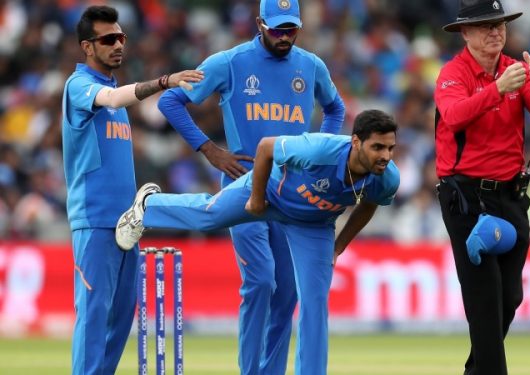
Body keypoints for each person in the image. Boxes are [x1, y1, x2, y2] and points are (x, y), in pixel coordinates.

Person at [116, 109, 399, 375]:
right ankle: (149, 205)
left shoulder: (387, 177)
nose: (385, 156)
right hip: (269, 194)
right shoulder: (319, 149)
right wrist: (256, 198)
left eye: (390, 148)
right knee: (210, 215)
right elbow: (265, 147)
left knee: (314, 303)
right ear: (356, 142)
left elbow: (370, 204)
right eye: (378, 147)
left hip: (313, 225)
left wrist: (339, 246)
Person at [156, 0, 345, 372]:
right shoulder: (229, 62)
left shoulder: (311, 66)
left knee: (288, 292)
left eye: (292, 29)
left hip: (291, 192)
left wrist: (320, 153)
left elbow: (335, 108)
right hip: (245, 186)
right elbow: (170, 100)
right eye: (277, 29)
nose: (285, 37)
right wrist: (208, 149)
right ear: (259, 23)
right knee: (261, 281)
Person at [61, 5, 203, 374]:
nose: (118, 45)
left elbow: (117, 98)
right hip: (94, 221)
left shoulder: (114, 89)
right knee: (94, 317)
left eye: (121, 37)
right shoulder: (80, 86)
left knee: (121, 319)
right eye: (108, 39)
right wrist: (162, 82)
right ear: (87, 46)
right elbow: (110, 100)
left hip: (126, 224)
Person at [434, 1, 530, 374]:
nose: (495, 32)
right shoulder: (453, 74)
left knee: (509, 298)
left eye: (499, 24)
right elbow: (454, 117)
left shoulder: (513, 71)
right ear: (465, 33)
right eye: (486, 26)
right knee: (485, 304)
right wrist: (498, 88)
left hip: (511, 196)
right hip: (467, 200)